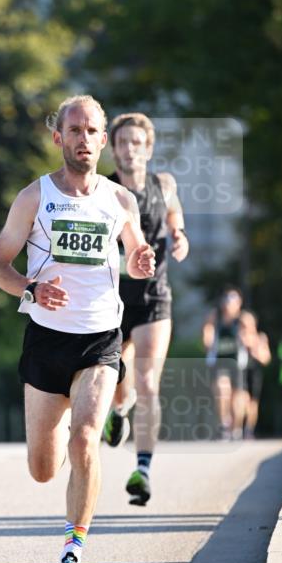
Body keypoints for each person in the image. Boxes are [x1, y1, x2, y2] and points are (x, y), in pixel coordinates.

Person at [0, 95, 155, 563]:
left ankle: (71, 554)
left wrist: (139, 262)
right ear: (59, 137)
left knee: (86, 438)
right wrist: (32, 289)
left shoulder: (119, 200)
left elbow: (133, 255)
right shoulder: (33, 198)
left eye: (92, 131)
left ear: (104, 141)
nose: (84, 139)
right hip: (46, 341)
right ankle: (59, 445)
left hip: (101, 338)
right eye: (74, 130)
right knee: (43, 469)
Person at [101, 113, 189, 507]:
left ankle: (143, 470)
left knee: (149, 382)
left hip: (155, 297)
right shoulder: (102, 190)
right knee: (118, 379)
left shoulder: (164, 184)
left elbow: (175, 215)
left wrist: (179, 235)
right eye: (123, 142)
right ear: (113, 147)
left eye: (137, 142)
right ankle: (120, 407)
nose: (130, 148)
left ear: (148, 148)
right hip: (112, 301)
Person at [202, 287, 255, 440]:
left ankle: (236, 427)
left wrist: (245, 338)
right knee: (221, 389)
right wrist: (208, 338)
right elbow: (207, 331)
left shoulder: (244, 319)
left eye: (232, 300)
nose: (228, 304)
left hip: (237, 361)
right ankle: (224, 423)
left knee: (237, 397)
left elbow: (252, 339)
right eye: (226, 300)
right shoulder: (215, 316)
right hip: (219, 360)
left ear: (239, 303)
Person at [240, 314, 271, 438]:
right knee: (242, 399)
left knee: (253, 403)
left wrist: (255, 350)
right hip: (240, 371)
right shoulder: (237, 335)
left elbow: (266, 358)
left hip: (254, 372)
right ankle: (237, 427)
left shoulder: (260, 338)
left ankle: (249, 428)